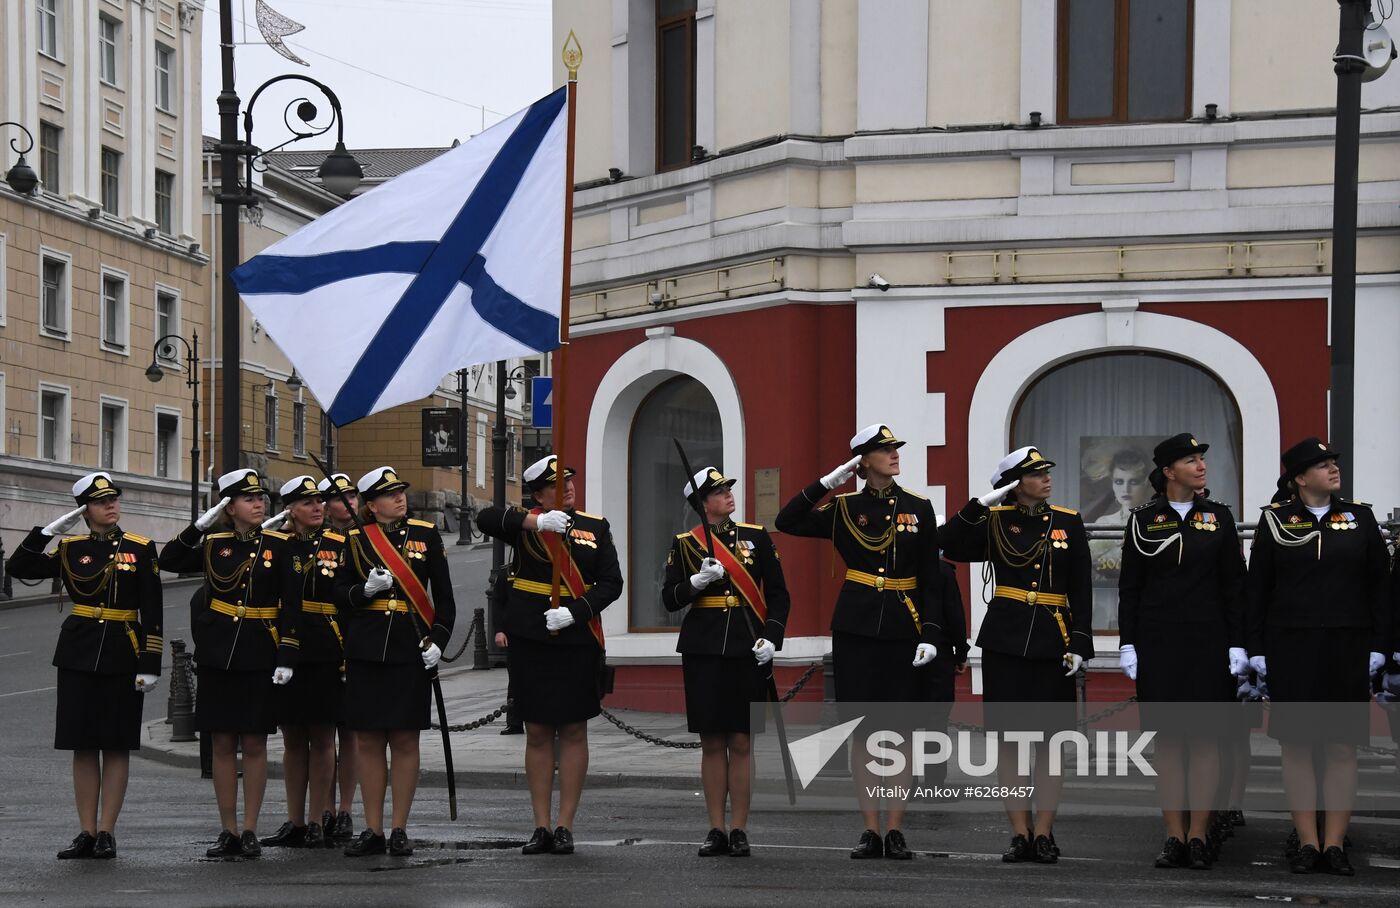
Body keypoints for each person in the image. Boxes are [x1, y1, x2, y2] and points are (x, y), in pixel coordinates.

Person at [775, 424, 944, 860]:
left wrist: (931, 633)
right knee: (864, 734)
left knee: (901, 732)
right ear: (862, 461)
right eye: (883, 450)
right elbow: (787, 520)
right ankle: (870, 828)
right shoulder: (844, 508)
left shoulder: (918, 507)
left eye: (894, 449)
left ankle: (896, 828)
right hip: (857, 627)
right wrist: (826, 484)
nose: (893, 455)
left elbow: (931, 579)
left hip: (904, 628)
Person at [938, 446, 1093, 865]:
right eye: (1036, 474)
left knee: (1049, 744)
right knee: (1009, 743)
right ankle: (1019, 832)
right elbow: (946, 542)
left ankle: (1044, 832)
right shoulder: (994, 522)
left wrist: (1080, 642)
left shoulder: (1068, 522)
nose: (1046, 479)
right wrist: (981, 503)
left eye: (1047, 472)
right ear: (1015, 483)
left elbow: (1081, 587)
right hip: (1006, 640)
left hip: (1054, 639)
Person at [1246, 438, 1390, 876]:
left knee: (1342, 747)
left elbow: (1381, 589)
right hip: (1292, 646)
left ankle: (1335, 844)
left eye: (1333, 463)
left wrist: (1381, 645)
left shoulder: (1360, 518)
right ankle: (1308, 842)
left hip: (1348, 646)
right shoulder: (1275, 522)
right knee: (1299, 748)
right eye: (1321, 464)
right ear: (1299, 477)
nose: (1332, 469)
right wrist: (1256, 650)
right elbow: (1258, 590)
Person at [6, 472, 163, 860]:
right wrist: (45, 532)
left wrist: (151, 661)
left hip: (123, 651)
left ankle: (107, 831)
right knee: (82, 745)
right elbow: (19, 568)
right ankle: (86, 831)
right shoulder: (71, 548)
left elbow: (153, 611)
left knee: (115, 745)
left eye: (113, 499)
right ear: (85, 511)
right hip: (78, 652)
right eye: (100, 502)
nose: (111, 506)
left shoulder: (141, 549)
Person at [476, 455, 623, 857]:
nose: (569, 489)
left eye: (570, 482)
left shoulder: (595, 527)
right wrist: (535, 522)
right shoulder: (526, 527)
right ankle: (540, 824)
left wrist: (576, 611)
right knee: (538, 731)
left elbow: (612, 583)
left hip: (575, 638)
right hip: (532, 640)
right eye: (558, 486)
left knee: (574, 729)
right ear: (538, 494)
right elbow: (485, 518)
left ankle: (565, 824)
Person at [1117, 433, 1246, 870]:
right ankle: (1173, 835)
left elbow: (1234, 585)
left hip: (1209, 641)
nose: (1201, 466)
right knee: (1170, 743)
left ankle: (1198, 835)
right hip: (1159, 642)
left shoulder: (1219, 518)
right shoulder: (1142, 519)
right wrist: (1128, 642)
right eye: (1191, 461)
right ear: (1169, 472)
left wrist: (1239, 642)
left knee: (1206, 741)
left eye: (1201, 459)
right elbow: (1130, 588)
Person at [159, 469, 300, 859]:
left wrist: (287, 654)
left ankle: (252, 828)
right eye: (248, 499)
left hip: (260, 653)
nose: (258, 504)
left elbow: (292, 605)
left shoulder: (279, 545)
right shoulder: (212, 543)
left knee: (254, 743)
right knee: (222, 742)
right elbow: (168, 559)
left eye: (260, 498)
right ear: (229, 507)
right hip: (219, 655)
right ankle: (228, 829)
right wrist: (195, 528)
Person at [662, 467, 791, 858]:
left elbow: (780, 594)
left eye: (727, 489)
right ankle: (715, 827)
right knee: (712, 742)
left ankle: (740, 829)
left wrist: (772, 637)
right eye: (718, 492)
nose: (728, 495)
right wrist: (696, 583)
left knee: (741, 741)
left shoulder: (755, 536)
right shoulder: (686, 544)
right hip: (703, 649)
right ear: (702, 504)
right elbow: (669, 599)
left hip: (746, 646)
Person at [335, 466, 455, 857]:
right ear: (371, 505)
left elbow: (446, 600)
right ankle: (372, 829)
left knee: (405, 739)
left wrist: (438, 640)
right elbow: (339, 595)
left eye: (401, 491)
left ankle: (399, 826)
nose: (400, 498)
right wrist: (364, 590)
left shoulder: (425, 534)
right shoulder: (353, 539)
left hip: (410, 648)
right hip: (367, 650)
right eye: (389, 494)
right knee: (369, 740)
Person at [259, 476, 345, 850]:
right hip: (286, 645)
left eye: (319, 501)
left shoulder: (341, 543)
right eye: (307, 502)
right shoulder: (277, 545)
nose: (317, 507)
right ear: (290, 509)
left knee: (324, 736)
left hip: (326, 643)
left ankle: (316, 820)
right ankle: (294, 819)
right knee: (293, 736)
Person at [318, 472, 360, 843]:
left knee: (350, 734)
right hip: (322, 644)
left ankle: (346, 808)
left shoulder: (371, 537)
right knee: (321, 733)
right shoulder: (316, 541)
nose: (348, 501)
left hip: (358, 638)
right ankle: (323, 808)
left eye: (352, 494)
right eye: (339, 497)